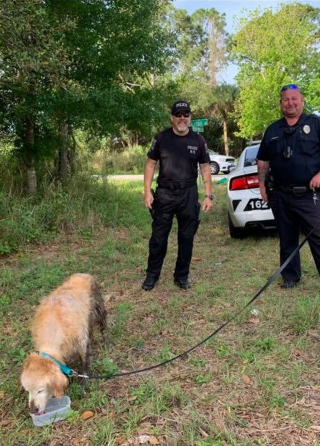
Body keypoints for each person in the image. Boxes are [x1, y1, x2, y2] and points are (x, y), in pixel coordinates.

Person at [142, 100, 213, 291]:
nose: (182, 118)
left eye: (186, 115)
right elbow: (150, 164)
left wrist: (208, 195)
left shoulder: (198, 141)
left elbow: (205, 167)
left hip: (188, 194)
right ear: (172, 118)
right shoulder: (162, 138)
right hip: (165, 194)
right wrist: (147, 190)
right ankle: (152, 276)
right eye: (178, 115)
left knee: (186, 237)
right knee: (158, 238)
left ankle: (181, 276)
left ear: (190, 118)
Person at [257, 84, 320, 289]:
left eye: (294, 98)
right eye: (286, 99)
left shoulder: (315, 124)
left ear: (302, 100)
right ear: (281, 103)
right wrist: (261, 184)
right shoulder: (273, 129)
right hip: (281, 194)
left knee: (318, 236)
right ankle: (291, 278)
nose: (290, 103)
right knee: (287, 237)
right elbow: (263, 159)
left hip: (310, 195)